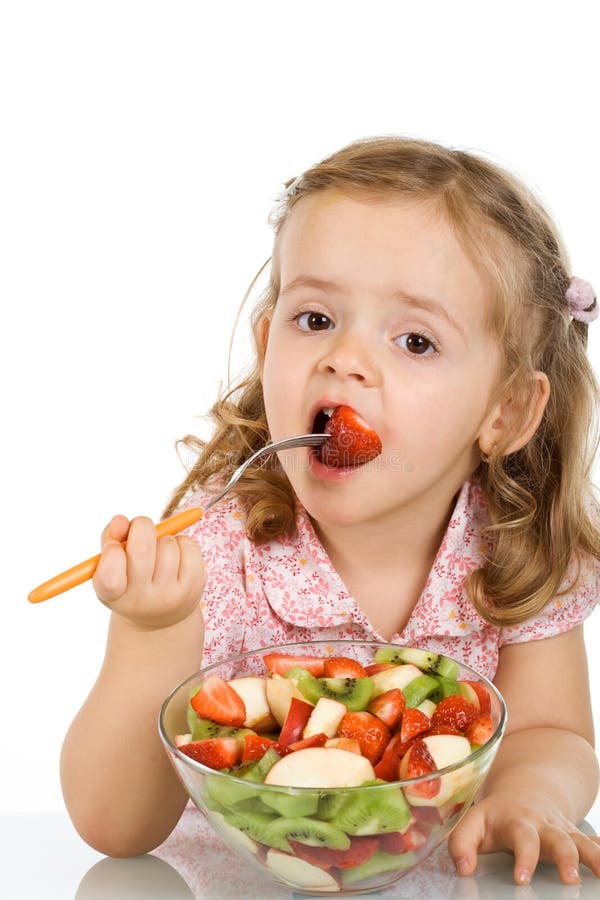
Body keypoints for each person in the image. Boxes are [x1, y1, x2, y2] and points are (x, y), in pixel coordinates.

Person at [61, 136, 600, 885]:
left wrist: (530, 794)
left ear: (506, 410)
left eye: (415, 340)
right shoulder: (219, 555)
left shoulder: (518, 552)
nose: (344, 359)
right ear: (265, 345)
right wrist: (152, 636)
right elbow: (115, 828)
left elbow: (552, 731)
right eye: (314, 319)